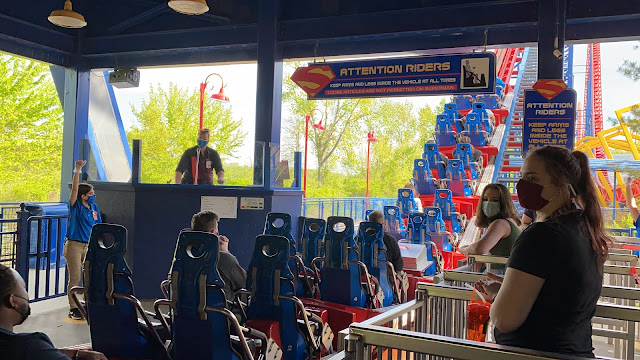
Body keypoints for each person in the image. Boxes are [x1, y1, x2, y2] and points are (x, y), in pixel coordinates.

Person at [475, 146, 610, 357]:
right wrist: (511, 287)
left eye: (532, 178)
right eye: (521, 177)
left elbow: (504, 319)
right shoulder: (584, 229)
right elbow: (559, 292)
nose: (522, 185)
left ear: (561, 186)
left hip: (537, 353)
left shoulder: (540, 236)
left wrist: (496, 295)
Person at [0, 264, 106, 359]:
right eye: (24, 289)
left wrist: (75, 354)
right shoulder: (29, 347)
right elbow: (36, 353)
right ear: (13, 301)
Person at [65, 160, 101, 320]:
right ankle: (73, 307)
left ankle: (87, 303)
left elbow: (98, 224)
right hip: (74, 245)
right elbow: (74, 189)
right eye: (91, 194)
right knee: (75, 276)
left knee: (89, 276)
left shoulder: (94, 208)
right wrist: (77, 170)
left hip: (89, 245)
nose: (93, 196)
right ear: (83, 196)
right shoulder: (76, 206)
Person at [459, 183, 521, 274]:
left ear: (503, 203)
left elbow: (479, 248)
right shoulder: (510, 221)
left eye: (494, 200)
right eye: (485, 199)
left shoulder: (500, 223)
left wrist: (463, 249)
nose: (488, 203)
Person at [191, 211, 246, 304]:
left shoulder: (184, 255)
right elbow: (242, 282)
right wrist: (225, 252)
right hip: (219, 314)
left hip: (185, 311)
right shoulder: (225, 258)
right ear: (213, 232)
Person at [368, 210, 404, 301]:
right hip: (386, 281)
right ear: (383, 224)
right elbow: (398, 265)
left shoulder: (358, 239)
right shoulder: (390, 240)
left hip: (364, 277)